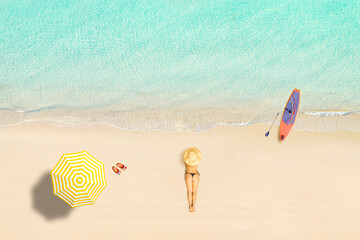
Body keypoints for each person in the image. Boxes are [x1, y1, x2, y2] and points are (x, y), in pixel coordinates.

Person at [184, 147, 201, 212]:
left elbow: (186, 164)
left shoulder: (186, 161)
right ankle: (193, 206)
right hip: (195, 174)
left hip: (188, 174)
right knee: (195, 192)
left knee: (189, 191)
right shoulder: (197, 161)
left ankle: (189, 206)